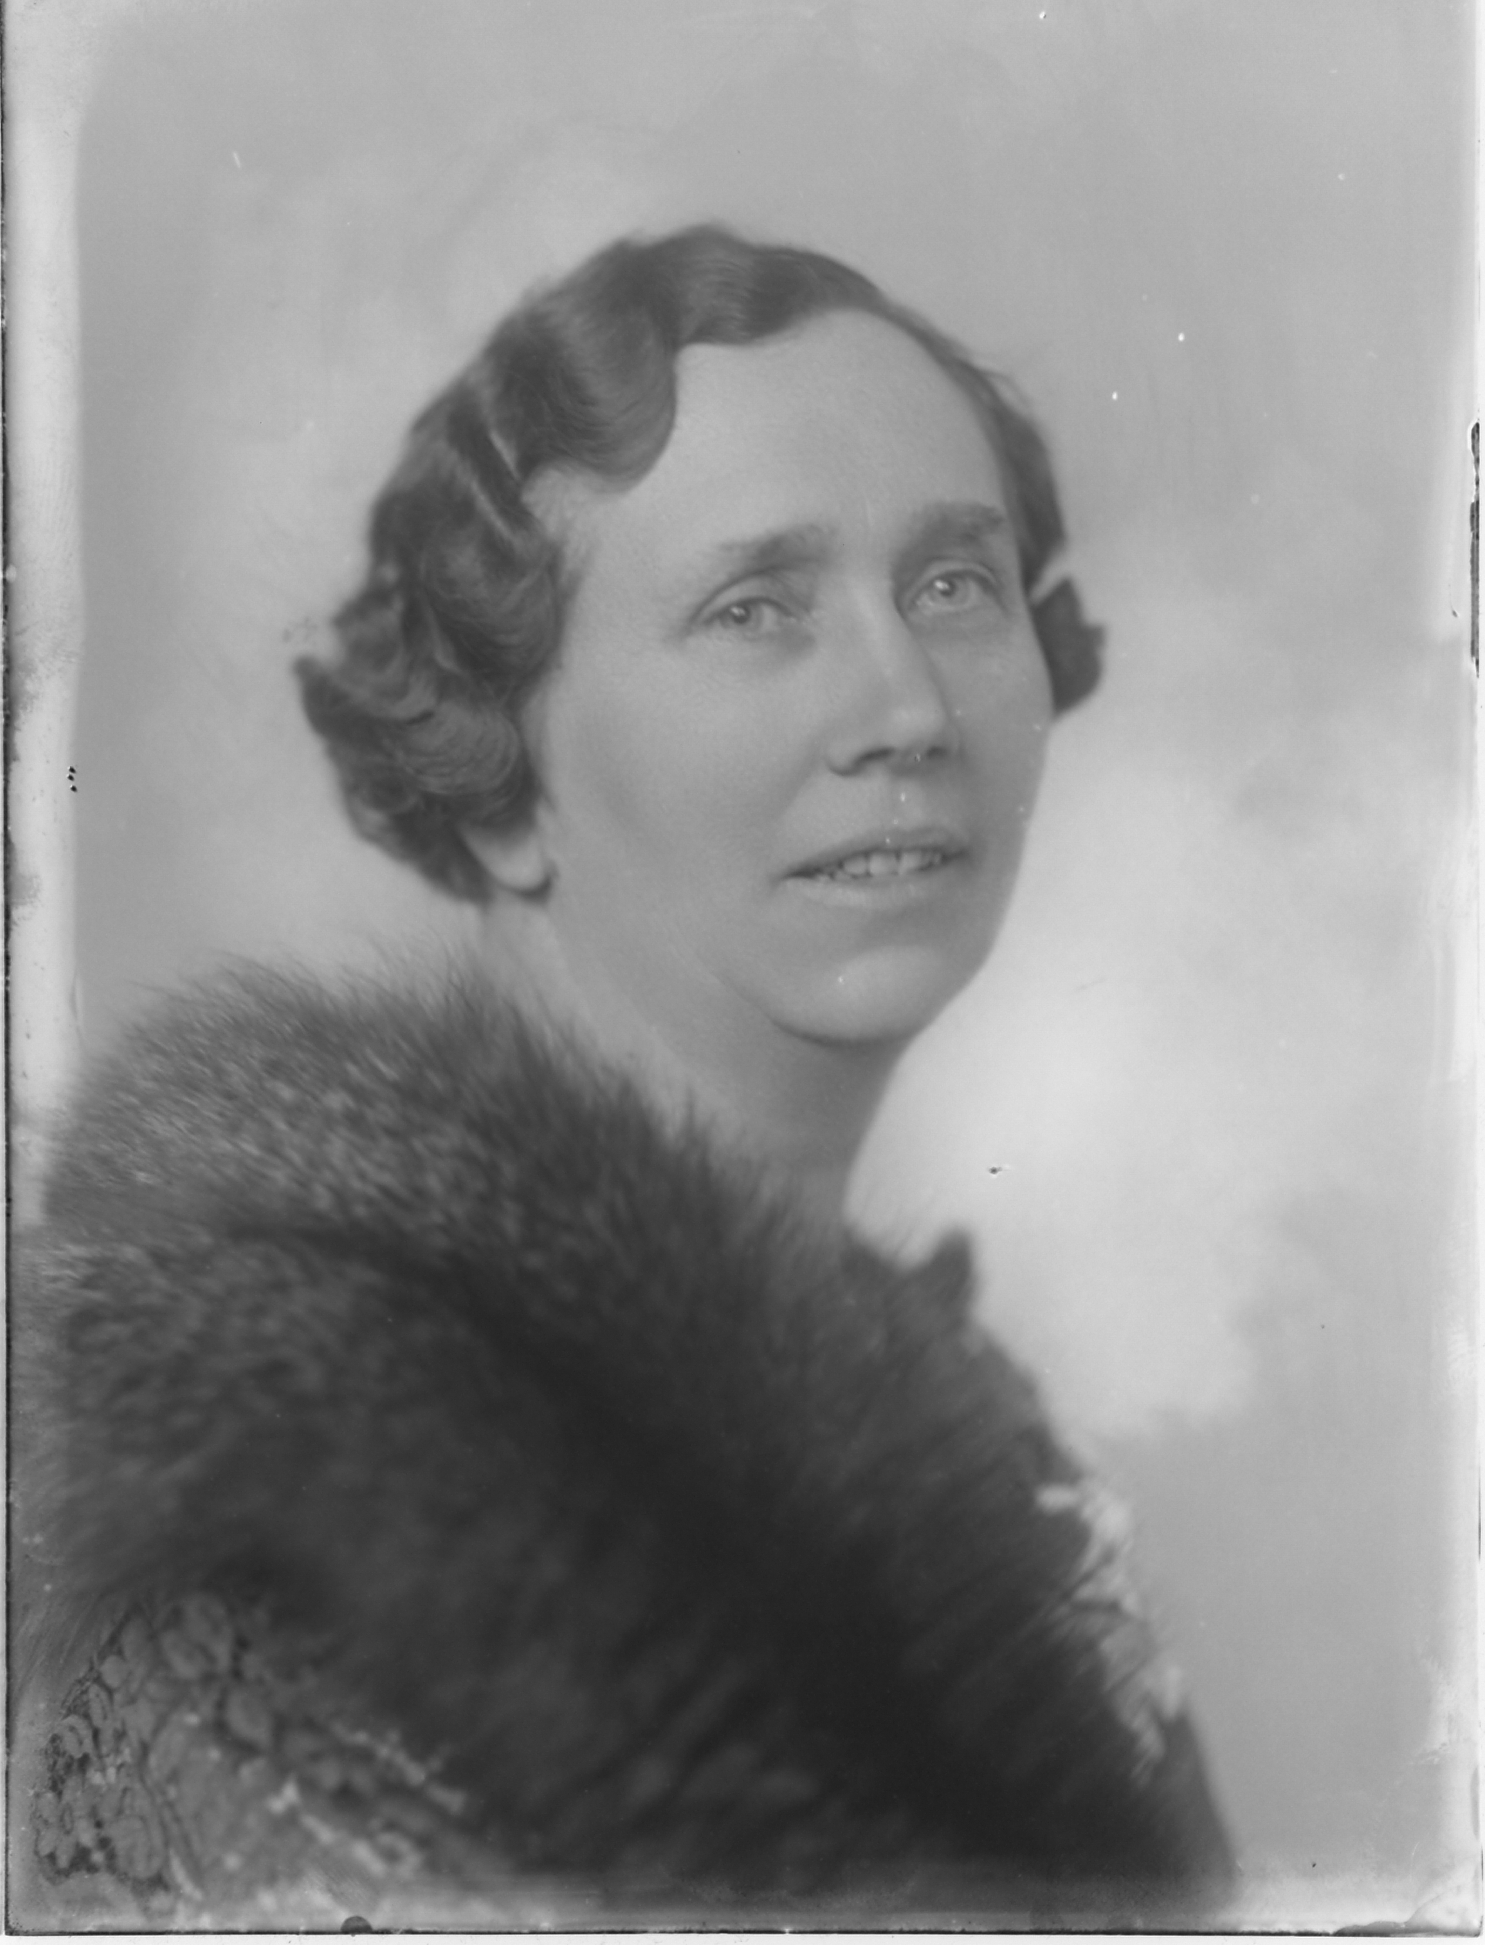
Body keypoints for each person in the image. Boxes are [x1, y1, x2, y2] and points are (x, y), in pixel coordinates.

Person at [14, 227, 1232, 1927]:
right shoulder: (272, 1584)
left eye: (955, 584)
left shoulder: (968, 1422)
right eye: (755, 607)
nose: (906, 709)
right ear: (500, 774)